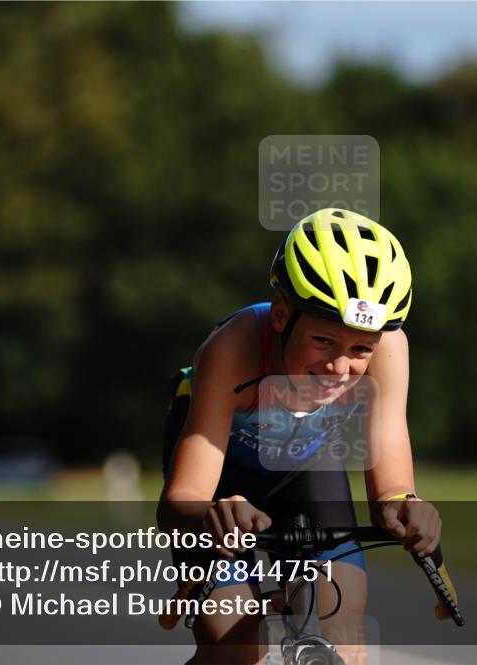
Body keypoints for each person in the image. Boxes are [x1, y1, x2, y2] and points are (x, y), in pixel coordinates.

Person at [157, 208, 443, 665]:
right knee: (236, 647)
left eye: (360, 349)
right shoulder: (233, 349)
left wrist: (407, 507)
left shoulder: (390, 347)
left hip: (306, 468)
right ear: (281, 315)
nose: (339, 368)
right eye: (323, 341)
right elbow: (180, 502)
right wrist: (213, 514)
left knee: (343, 635)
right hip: (221, 483)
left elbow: (390, 486)